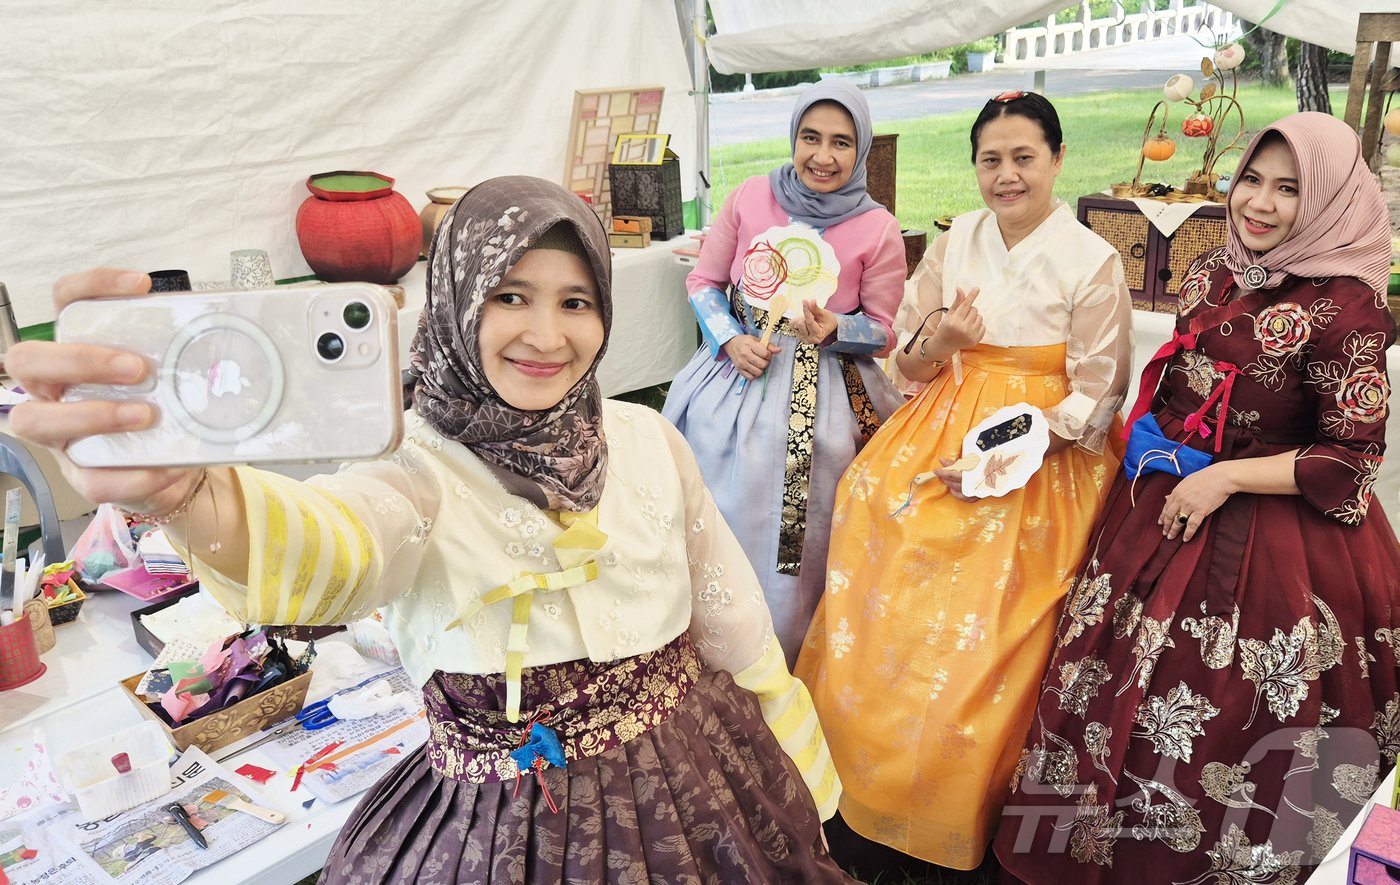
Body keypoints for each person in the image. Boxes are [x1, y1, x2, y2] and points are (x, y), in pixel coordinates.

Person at [8, 176, 855, 884]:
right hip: (503, 832)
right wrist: (188, 496)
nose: (546, 334)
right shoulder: (415, 466)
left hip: (695, 777)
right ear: (455, 301)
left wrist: (791, 764)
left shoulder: (645, 438)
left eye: (575, 301)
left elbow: (730, 616)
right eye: (509, 296)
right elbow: (332, 549)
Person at [994, 112, 1400, 883]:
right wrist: (1158, 436)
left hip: (1285, 544)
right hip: (1166, 508)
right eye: (1253, 178)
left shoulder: (1348, 308)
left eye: (1291, 189)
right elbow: (1184, 381)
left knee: (1235, 714)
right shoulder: (1215, 267)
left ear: (1332, 200)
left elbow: (1351, 459)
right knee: (1111, 685)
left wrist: (1223, 475)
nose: (1262, 203)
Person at [795, 91, 1134, 873]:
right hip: (943, 413)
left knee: (985, 588)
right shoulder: (959, 239)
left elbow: (1097, 395)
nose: (1006, 176)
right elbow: (905, 361)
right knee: (875, 502)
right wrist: (940, 339)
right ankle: (857, 770)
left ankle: (953, 790)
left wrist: (1000, 454)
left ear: (1056, 160)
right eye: (991, 159)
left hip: (1040, 444)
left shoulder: (1093, 260)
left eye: (1024, 158)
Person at [663, 79, 907, 666]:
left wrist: (837, 329)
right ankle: (704, 640)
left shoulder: (877, 228)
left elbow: (884, 330)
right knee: (715, 491)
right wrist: (730, 339)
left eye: (842, 143)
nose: (824, 156)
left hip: (825, 387)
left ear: (862, 151)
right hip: (740, 367)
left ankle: (790, 653)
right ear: (794, 137)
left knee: (801, 528)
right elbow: (704, 282)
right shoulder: (750, 196)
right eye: (811, 137)